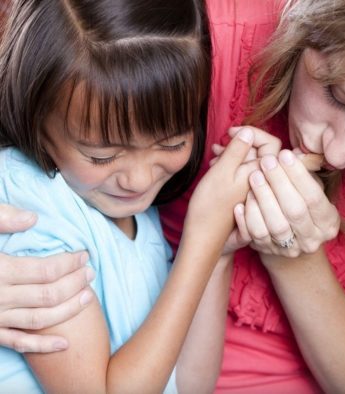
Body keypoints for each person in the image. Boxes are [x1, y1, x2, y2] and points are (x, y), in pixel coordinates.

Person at [1, 0, 345, 393]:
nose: (339, 151)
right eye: (336, 95)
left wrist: (290, 260)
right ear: (313, 21)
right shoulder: (190, 45)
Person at [0, 0, 259, 392]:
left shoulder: (132, 211)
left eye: (172, 143)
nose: (138, 179)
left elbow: (190, 383)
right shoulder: (30, 207)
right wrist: (199, 245)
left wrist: (217, 252)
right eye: (102, 155)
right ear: (36, 120)